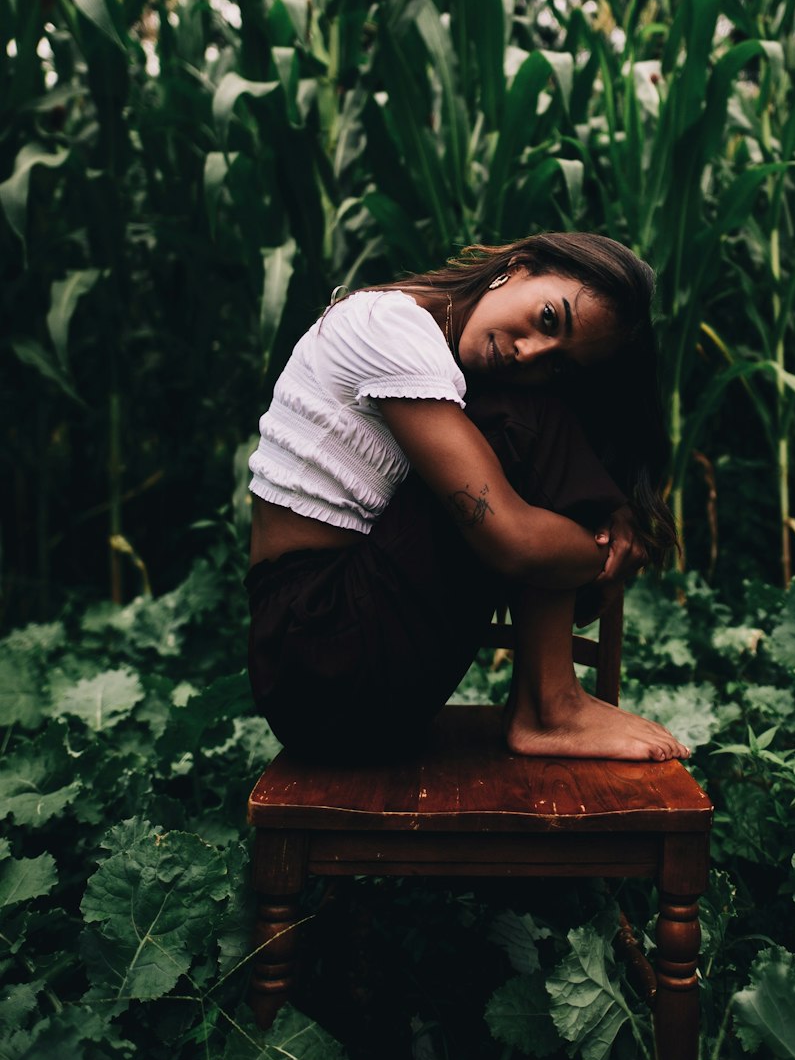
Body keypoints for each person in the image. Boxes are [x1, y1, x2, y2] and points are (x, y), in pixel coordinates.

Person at [244, 232, 690, 764]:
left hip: (351, 669)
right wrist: (603, 550)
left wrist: (598, 523)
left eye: (559, 363)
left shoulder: (447, 366)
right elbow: (514, 544)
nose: (531, 352)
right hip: (317, 660)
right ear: (518, 267)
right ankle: (551, 709)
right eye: (550, 318)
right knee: (528, 418)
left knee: (532, 409)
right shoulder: (390, 328)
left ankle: (546, 704)